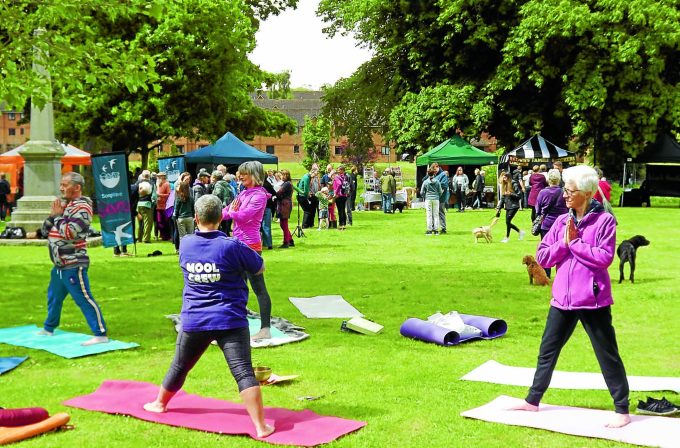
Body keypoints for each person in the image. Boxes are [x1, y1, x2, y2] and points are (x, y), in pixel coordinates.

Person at [143, 194, 274, 438]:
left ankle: (159, 403)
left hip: (196, 320)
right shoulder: (232, 245)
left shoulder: (186, 244)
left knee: (180, 365)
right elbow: (260, 266)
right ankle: (260, 426)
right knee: (243, 372)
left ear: (195, 218)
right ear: (220, 218)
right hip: (230, 320)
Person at [510, 165, 630, 428]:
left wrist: (576, 244)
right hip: (562, 300)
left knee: (607, 354)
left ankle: (622, 409)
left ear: (587, 193)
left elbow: (604, 258)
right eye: (565, 189)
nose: (565, 194)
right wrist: (564, 243)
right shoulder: (562, 222)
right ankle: (532, 400)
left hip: (592, 300)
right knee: (547, 350)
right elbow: (542, 256)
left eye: (570, 190)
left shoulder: (604, 221)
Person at [39, 172, 108, 346]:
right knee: (54, 296)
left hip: (73, 263)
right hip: (60, 265)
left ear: (77, 187)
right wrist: (52, 217)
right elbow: (45, 231)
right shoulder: (66, 205)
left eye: (65, 184)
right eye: (61, 184)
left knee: (83, 298)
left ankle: (100, 334)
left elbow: (70, 233)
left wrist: (57, 217)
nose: (61, 188)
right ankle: (48, 328)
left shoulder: (82, 208)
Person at [222, 161, 273, 340]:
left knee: (258, 288)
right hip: (236, 244)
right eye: (239, 173)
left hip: (251, 247)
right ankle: (236, 321)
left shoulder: (258, 196)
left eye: (244, 173)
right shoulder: (243, 193)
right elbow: (227, 211)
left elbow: (242, 216)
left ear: (255, 175)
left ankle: (265, 328)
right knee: (236, 285)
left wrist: (230, 213)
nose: (240, 176)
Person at [534, 169, 568, 277]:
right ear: (559, 179)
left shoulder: (543, 192)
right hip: (562, 225)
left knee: (547, 250)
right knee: (562, 249)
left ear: (548, 179)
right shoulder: (564, 192)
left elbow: (538, 210)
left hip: (547, 224)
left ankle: (546, 275)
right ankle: (561, 273)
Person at [496, 171, 525, 243]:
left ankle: (507, 237)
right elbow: (503, 198)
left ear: (508, 177)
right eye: (503, 178)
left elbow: (519, 195)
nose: (504, 179)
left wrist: (510, 194)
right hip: (508, 205)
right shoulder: (504, 185)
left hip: (514, 205)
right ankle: (520, 232)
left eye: (505, 177)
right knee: (507, 222)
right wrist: (499, 208)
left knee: (508, 221)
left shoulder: (513, 183)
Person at [173, 172, 195, 252]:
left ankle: (183, 250)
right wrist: (193, 216)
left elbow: (176, 209)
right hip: (189, 218)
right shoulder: (191, 198)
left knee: (182, 236)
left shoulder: (179, 198)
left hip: (181, 218)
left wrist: (175, 217)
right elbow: (193, 208)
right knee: (191, 235)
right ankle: (191, 249)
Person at [421, 168, 443, 235]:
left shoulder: (425, 182)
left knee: (429, 215)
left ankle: (429, 230)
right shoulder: (437, 181)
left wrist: (425, 196)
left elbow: (422, 192)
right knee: (436, 215)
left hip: (428, 199)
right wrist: (438, 195)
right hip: (436, 199)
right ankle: (436, 230)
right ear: (434, 173)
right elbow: (440, 191)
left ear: (428, 174)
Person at [276, 170, 294, 248]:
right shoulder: (287, 183)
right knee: (283, 224)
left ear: (286, 175)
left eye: (282, 175)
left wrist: (273, 193)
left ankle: (286, 242)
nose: (281, 177)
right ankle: (290, 240)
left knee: (284, 223)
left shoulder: (287, 184)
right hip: (284, 203)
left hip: (285, 204)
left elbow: (280, 192)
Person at [136, 171, 154, 244]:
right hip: (147, 204)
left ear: (142, 176)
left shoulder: (137, 183)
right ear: (149, 176)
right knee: (147, 222)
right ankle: (146, 239)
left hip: (138, 204)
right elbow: (154, 195)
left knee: (139, 222)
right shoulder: (152, 183)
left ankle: (139, 238)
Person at [155, 172, 171, 241]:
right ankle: (162, 235)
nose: (158, 178)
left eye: (159, 177)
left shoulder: (167, 184)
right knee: (159, 222)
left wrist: (159, 195)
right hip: (158, 206)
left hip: (165, 206)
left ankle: (167, 236)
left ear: (163, 177)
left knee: (166, 222)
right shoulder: (157, 185)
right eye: (157, 177)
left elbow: (169, 195)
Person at [333, 165, 350, 230]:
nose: (338, 171)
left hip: (339, 195)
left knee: (340, 210)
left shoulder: (337, 177)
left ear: (342, 170)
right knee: (343, 210)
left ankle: (341, 225)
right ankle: (344, 224)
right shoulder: (345, 177)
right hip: (344, 195)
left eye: (339, 170)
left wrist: (335, 192)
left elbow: (339, 184)